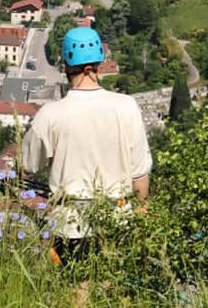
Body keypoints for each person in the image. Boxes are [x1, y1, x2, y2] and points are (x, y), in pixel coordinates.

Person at [21, 26, 152, 268]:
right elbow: (140, 176)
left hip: (69, 223)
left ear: (65, 64)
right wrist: (141, 218)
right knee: (112, 286)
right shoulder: (127, 106)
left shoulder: (50, 115)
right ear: (99, 63)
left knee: (76, 288)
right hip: (118, 217)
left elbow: (28, 165)